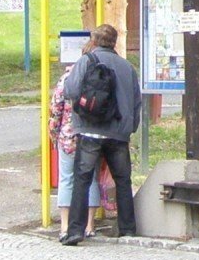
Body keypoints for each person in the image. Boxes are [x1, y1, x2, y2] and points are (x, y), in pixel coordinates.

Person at [58, 22, 139, 244]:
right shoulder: (126, 67)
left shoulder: (86, 61)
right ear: (115, 42)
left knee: (82, 180)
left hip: (89, 129)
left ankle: (75, 231)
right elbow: (136, 102)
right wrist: (129, 128)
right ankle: (128, 229)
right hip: (118, 133)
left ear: (94, 41)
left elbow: (70, 90)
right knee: (123, 180)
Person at [48, 81, 101, 238]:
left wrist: (54, 134)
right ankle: (90, 225)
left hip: (68, 137)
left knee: (66, 179)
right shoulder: (94, 77)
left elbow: (56, 111)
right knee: (91, 179)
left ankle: (65, 226)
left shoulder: (65, 80)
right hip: (91, 136)